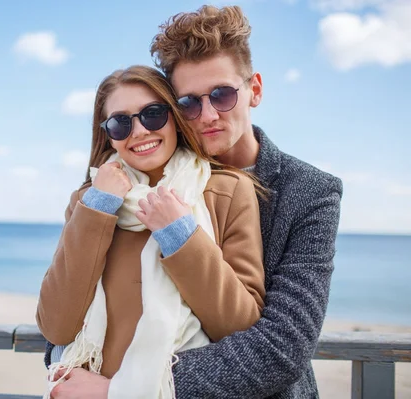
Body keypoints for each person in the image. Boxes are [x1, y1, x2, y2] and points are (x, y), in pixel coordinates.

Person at [43, 5, 343, 399]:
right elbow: (64, 329)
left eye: (222, 95)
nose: (206, 116)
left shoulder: (310, 191)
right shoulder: (116, 190)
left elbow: (280, 348)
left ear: (254, 90)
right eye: (188, 103)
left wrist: (123, 388)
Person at [36, 65, 266, 399]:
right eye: (120, 122)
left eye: (153, 114)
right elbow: (57, 325)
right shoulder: (88, 201)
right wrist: (98, 207)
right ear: (108, 134)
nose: (140, 131)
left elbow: (240, 328)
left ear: (174, 117)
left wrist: (180, 234)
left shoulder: (228, 192)